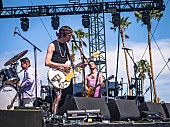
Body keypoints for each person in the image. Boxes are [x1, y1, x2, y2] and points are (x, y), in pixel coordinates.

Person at [45, 26, 74, 114]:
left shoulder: (67, 46)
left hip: (66, 75)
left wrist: (80, 65)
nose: (71, 38)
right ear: (63, 35)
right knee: (58, 97)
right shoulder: (52, 45)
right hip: (56, 74)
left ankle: (65, 115)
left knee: (68, 96)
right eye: (69, 35)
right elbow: (47, 62)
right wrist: (61, 65)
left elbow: (70, 63)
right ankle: (54, 116)